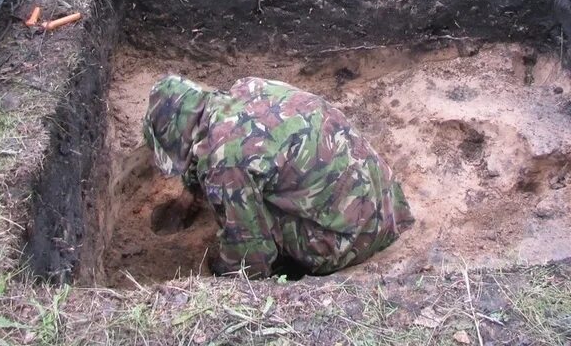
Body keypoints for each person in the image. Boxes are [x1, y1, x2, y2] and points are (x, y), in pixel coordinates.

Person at [141, 74, 413, 278]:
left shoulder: (222, 160)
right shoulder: (249, 87)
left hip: (351, 240)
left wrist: (221, 267)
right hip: (389, 204)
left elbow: (251, 262)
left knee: (249, 222)